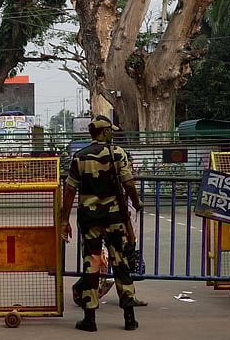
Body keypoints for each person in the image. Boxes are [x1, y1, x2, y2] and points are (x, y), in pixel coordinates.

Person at [61, 115, 144, 332]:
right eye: (110, 130)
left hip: (90, 220)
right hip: (115, 219)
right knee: (121, 264)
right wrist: (137, 203)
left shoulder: (79, 157)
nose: (112, 133)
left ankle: (90, 318)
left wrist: (63, 219)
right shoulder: (117, 154)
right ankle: (129, 317)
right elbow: (128, 183)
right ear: (103, 132)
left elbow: (70, 189)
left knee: (92, 264)